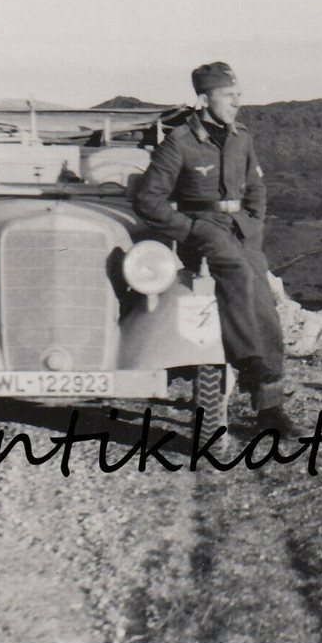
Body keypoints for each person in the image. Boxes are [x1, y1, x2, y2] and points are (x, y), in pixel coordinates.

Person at [132, 62, 292, 434]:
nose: (237, 102)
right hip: (202, 228)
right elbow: (148, 199)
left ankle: (271, 410)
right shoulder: (179, 142)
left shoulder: (242, 138)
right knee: (235, 271)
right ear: (204, 99)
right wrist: (188, 229)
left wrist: (254, 224)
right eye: (228, 95)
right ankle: (248, 360)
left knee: (265, 306)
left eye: (239, 95)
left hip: (240, 230)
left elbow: (256, 187)